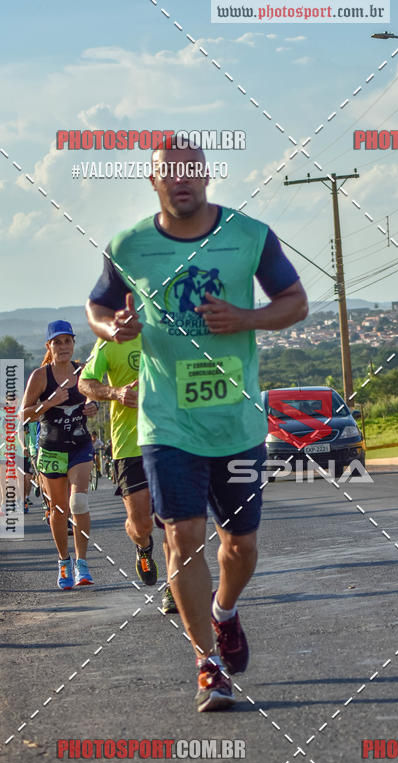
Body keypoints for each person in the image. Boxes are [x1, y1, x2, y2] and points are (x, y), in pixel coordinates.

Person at [86, 141, 307, 711]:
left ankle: (224, 611)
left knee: (241, 546)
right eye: (169, 174)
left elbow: (296, 302)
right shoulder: (129, 246)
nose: (181, 181)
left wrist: (249, 318)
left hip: (235, 423)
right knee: (181, 539)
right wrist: (114, 329)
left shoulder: (249, 234)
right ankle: (208, 664)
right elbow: (99, 307)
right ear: (152, 182)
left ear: (206, 176)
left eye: (191, 171)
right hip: (166, 424)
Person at [79, 335, 176, 609]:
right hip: (129, 445)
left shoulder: (165, 332)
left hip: (171, 439)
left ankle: (173, 586)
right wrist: (116, 393)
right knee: (141, 524)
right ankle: (143, 546)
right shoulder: (109, 341)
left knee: (175, 520)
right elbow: (85, 383)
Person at [21, 321, 98, 589]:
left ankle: (82, 564)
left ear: (73, 344)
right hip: (51, 448)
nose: (63, 346)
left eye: (68, 341)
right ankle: (63, 561)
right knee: (59, 509)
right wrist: (49, 403)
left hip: (79, 446)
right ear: (49, 346)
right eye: (58, 342)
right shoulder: (40, 377)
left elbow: (94, 396)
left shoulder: (83, 371)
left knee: (78, 503)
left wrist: (93, 406)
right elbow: (23, 415)